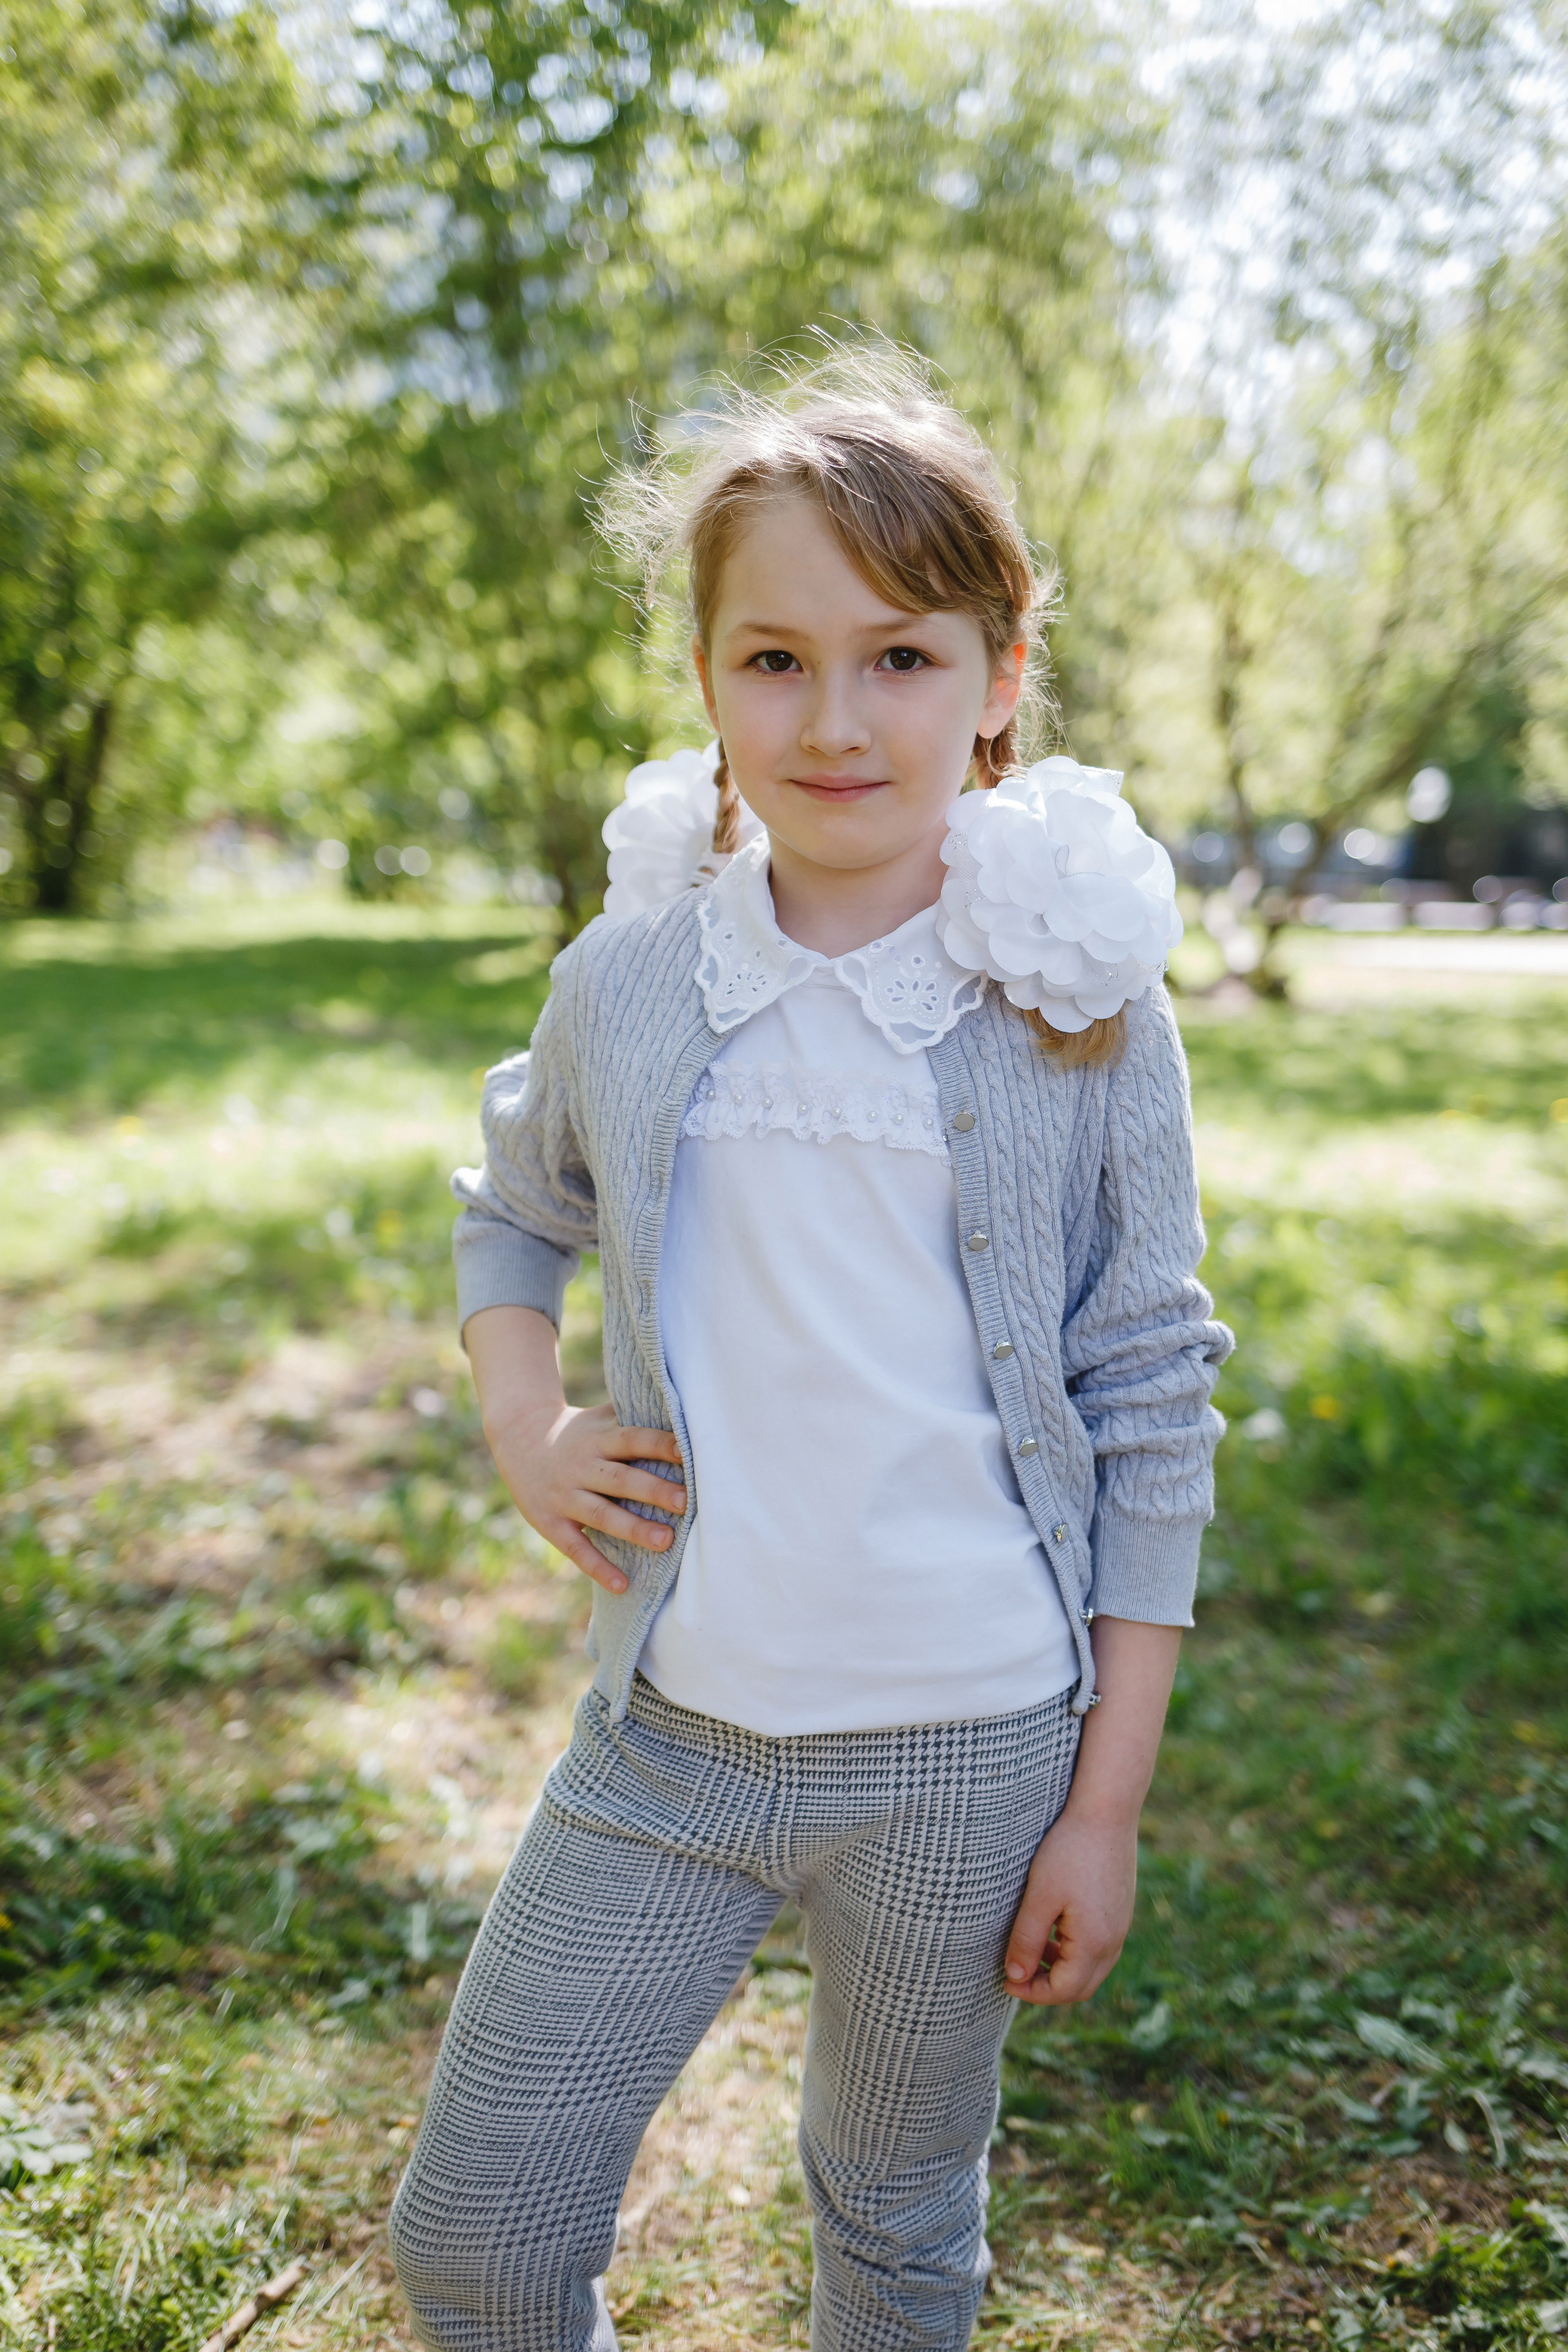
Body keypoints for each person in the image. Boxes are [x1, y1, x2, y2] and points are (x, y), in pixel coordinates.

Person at [388, 350, 1232, 2352]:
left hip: (974, 1751)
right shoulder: (633, 976)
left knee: (896, 2226)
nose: (836, 721)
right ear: (706, 679)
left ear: (1001, 677)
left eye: (902, 658)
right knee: (475, 2237)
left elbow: (1149, 1398)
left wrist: (1103, 1806)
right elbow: (515, 1199)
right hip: (673, 1737)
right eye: (775, 660)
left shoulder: (1079, 1011)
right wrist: (525, 1417)